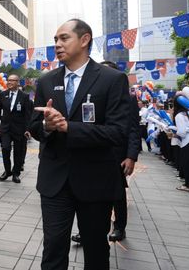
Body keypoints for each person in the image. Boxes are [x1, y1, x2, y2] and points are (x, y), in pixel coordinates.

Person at [30, 19, 130, 270]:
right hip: (55, 182)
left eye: (64, 38)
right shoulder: (45, 81)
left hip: (95, 181)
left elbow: (118, 133)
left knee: (96, 250)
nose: (57, 44)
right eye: (55, 40)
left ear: (84, 40)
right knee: (53, 249)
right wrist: (46, 127)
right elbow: (33, 127)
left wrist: (69, 127)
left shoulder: (112, 79)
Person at [72, 61, 141, 244]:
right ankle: (84, 230)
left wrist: (131, 156)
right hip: (91, 152)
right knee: (86, 194)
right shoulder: (86, 94)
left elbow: (133, 128)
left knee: (116, 194)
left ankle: (119, 227)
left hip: (116, 155)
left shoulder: (127, 97)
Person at [0, 74, 32, 183]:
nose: (9, 82)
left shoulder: (24, 96)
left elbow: (27, 115)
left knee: (18, 152)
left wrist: (28, 129)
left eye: (12, 81)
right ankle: (7, 170)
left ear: (18, 83)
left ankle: (16, 173)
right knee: (5, 148)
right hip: (5, 128)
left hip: (19, 129)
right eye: (8, 80)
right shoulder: (3, 95)